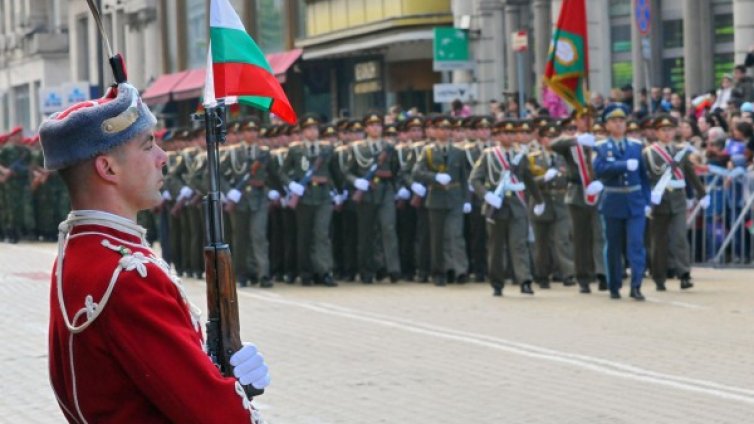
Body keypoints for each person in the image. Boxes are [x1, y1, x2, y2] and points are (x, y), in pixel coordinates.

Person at [41, 82, 270, 422]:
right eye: (148, 145)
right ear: (108, 169)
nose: (163, 157)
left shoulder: (81, 248)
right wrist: (231, 399)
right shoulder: (129, 275)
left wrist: (218, 374)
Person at [643, 115, 709, 291]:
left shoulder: (679, 151)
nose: (667, 133)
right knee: (659, 241)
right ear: (657, 132)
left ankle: (684, 273)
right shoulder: (648, 152)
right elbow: (644, 178)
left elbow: (690, 173)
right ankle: (659, 276)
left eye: (670, 130)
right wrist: (645, 199)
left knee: (679, 237)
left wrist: (702, 193)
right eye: (663, 130)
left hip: (678, 198)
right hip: (659, 200)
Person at [593, 103, 651, 300]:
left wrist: (647, 201)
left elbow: (644, 177)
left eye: (622, 121)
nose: (618, 124)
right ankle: (614, 284)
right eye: (614, 121)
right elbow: (599, 169)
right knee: (614, 245)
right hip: (613, 199)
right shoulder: (600, 147)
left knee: (636, 243)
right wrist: (623, 165)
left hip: (634, 200)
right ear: (606, 125)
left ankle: (636, 285)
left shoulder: (636, 146)